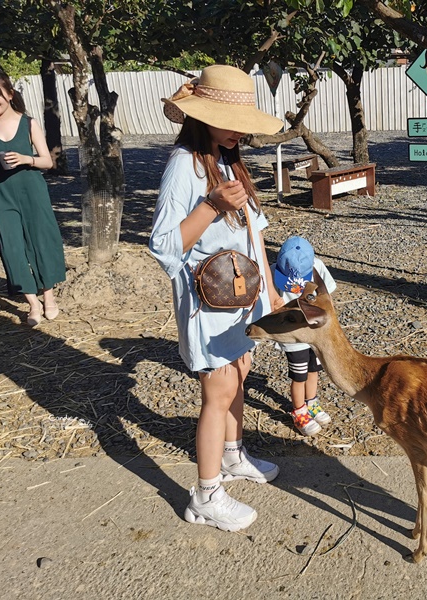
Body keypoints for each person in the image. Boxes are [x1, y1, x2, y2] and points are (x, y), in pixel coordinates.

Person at [149, 65, 284, 532]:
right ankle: (205, 494)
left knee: (240, 375)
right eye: (229, 119)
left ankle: (232, 456)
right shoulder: (183, 166)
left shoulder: (227, 158)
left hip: (238, 296)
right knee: (218, 391)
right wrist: (211, 206)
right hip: (208, 303)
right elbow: (164, 244)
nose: (238, 129)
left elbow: (255, 232)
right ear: (200, 115)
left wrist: (269, 293)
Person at [0, 63, 65, 326]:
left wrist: (25, 158)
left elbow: (47, 162)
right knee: (11, 246)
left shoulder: (28, 123)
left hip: (31, 190)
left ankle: (49, 297)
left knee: (41, 240)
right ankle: (32, 303)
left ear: (9, 93)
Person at [270, 236, 337, 436]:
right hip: (292, 335)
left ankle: (312, 402)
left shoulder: (317, 267)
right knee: (298, 374)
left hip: (314, 332)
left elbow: (328, 296)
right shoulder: (273, 272)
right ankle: (299, 410)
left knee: (314, 368)